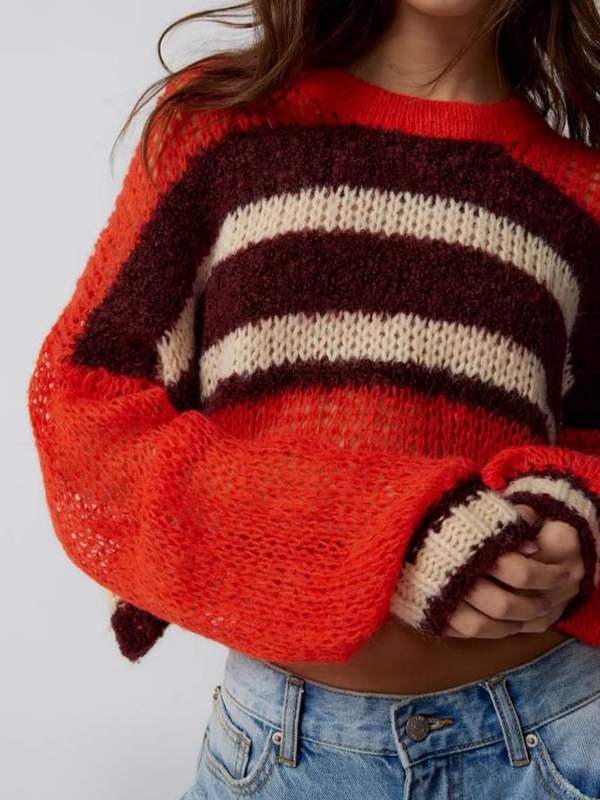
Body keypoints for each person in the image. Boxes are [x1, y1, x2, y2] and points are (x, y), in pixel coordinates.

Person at [27, 0, 600, 797]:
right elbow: (83, 415)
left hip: (558, 739)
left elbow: (587, 442)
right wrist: (386, 534)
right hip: (284, 755)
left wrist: (575, 514)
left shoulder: (584, 194)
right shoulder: (221, 130)